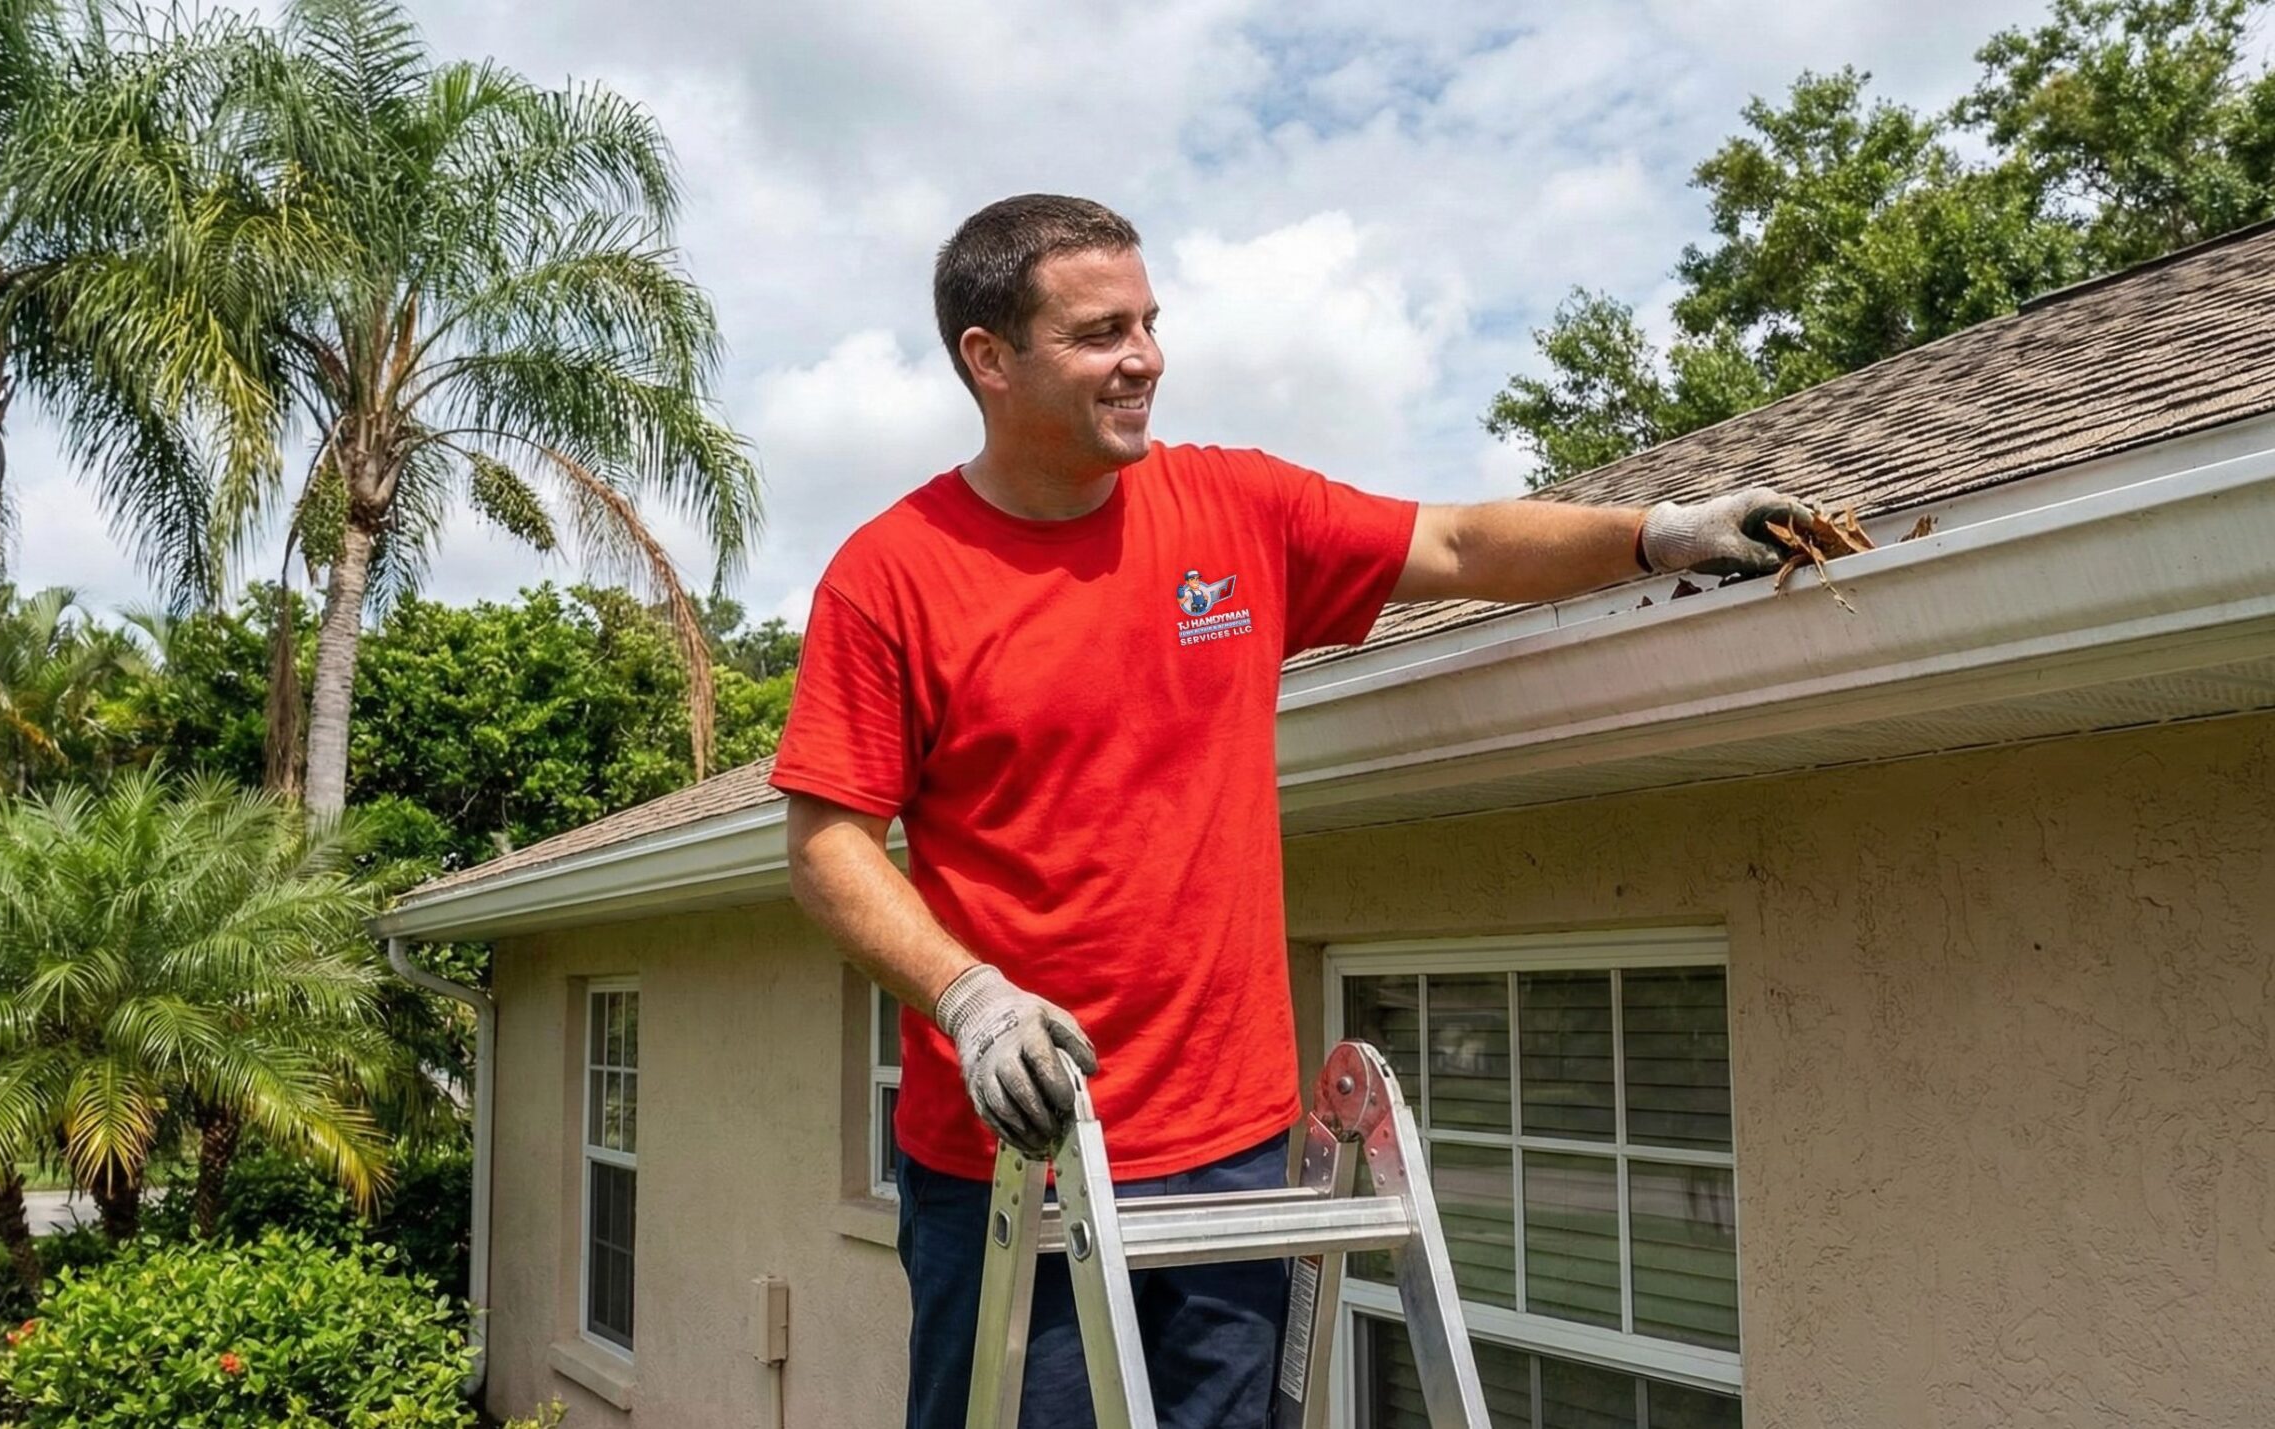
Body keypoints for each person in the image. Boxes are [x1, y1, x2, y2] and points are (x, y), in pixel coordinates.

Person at [773, 194, 1809, 1429]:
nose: (1145, 357)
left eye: (1150, 323)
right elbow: (827, 844)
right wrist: (969, 997)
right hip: (1016, 1153)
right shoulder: (893, 574)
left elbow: (1463, 544)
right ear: (987, 360)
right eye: (1102, 333)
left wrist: (1657, 534)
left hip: (1231, 1146)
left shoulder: (1234, 509)